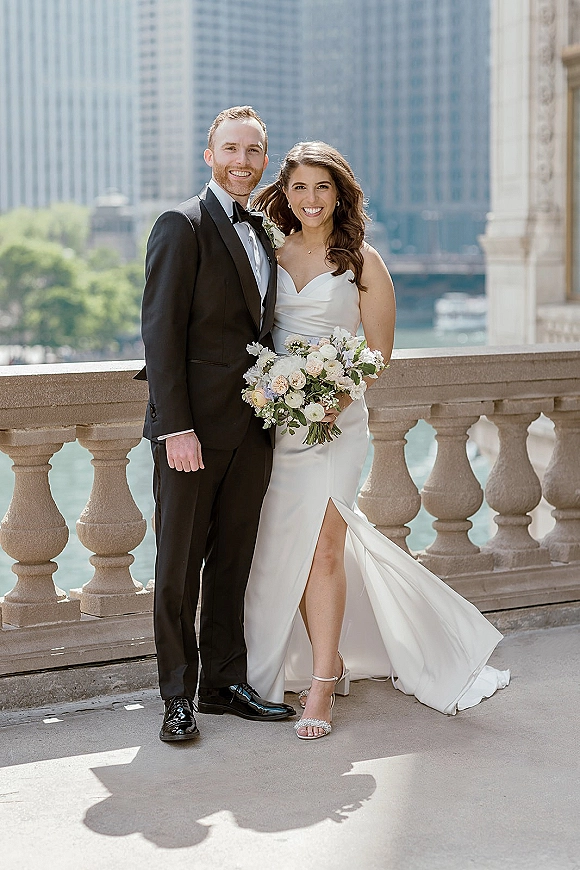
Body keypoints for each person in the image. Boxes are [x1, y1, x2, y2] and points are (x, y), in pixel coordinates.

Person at [245, 142, 510, 739]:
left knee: (327, 547)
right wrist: (280, 391)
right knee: (284, 546)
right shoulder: (270, 253)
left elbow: (377, 351)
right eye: (298, 188)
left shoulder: (363, 262)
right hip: (281, 422)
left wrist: (334, 393)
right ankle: (326, 657)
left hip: (339, 422)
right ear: (283, 194)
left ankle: (321, 686)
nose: (310, 199)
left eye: (322, 187)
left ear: (340, 194)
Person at [137, 106, 295, 743]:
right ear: (210, 156)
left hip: (253, 430)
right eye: (231, 149)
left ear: (264, 160)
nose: (243, 162)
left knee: (233, 562)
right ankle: (177, 696)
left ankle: (224, 684)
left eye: (254, 152)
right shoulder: (182, 224)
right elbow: (161, 334)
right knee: (177, 570)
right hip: (192, 434)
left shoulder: (262, 231)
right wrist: (176, 427)